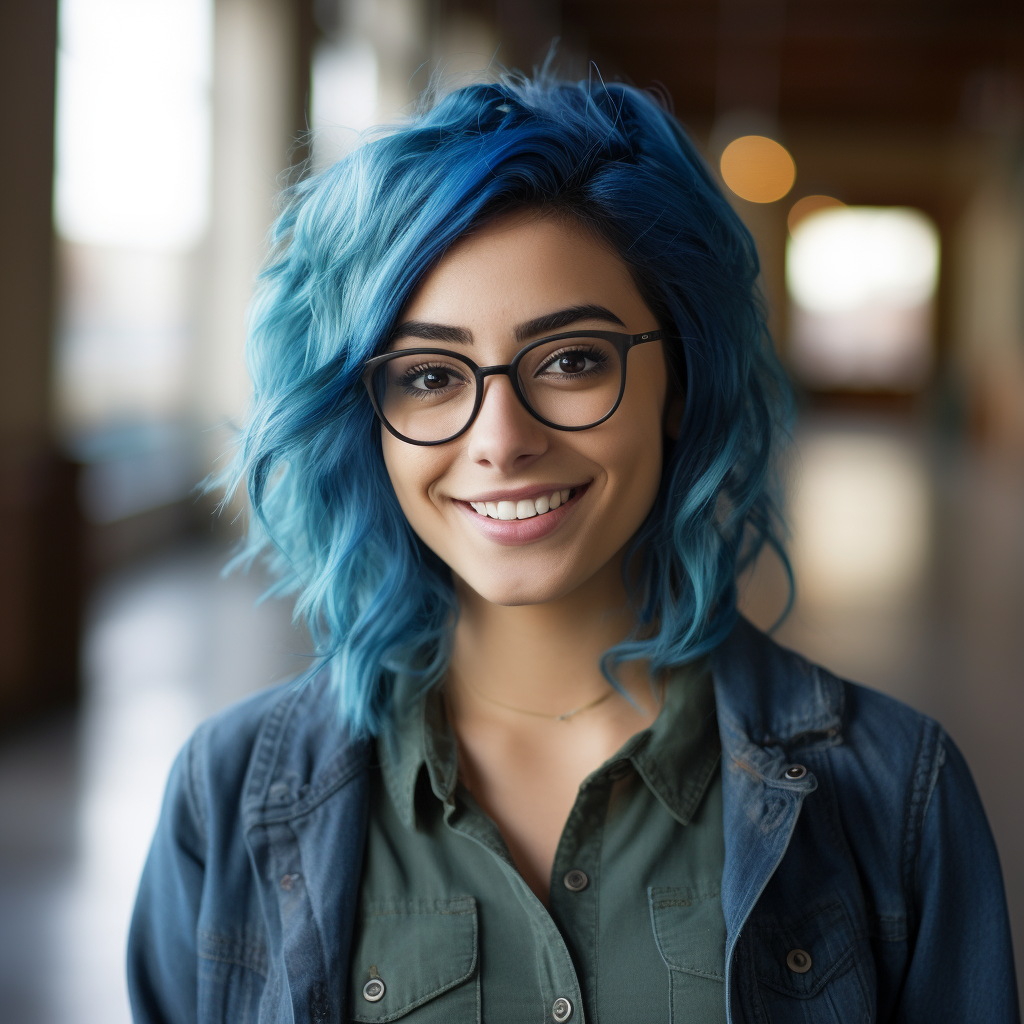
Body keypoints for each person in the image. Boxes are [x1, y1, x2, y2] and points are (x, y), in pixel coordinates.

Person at [127, 72, 1018, 1024]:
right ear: (369, 419)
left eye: (572, 360)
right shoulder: (227, 800)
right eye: (429, 374)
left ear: (679, 381)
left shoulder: (897, 795)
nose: (501, 439)